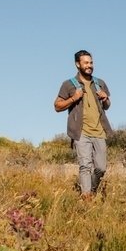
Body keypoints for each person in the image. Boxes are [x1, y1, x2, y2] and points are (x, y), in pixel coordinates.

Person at [53, 50, 112, 198]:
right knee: (85, 166)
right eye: (86, 63)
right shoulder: (68, 85)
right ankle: (86, 198)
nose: (89, 65)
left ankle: (91, 190)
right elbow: (57, 106)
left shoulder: (100, 83)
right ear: (77, 64)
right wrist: (74, 98)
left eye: (91, 62)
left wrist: (105, 98)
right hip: (80, 132)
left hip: (100, 130)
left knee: (101, 168)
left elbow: (107, 106)